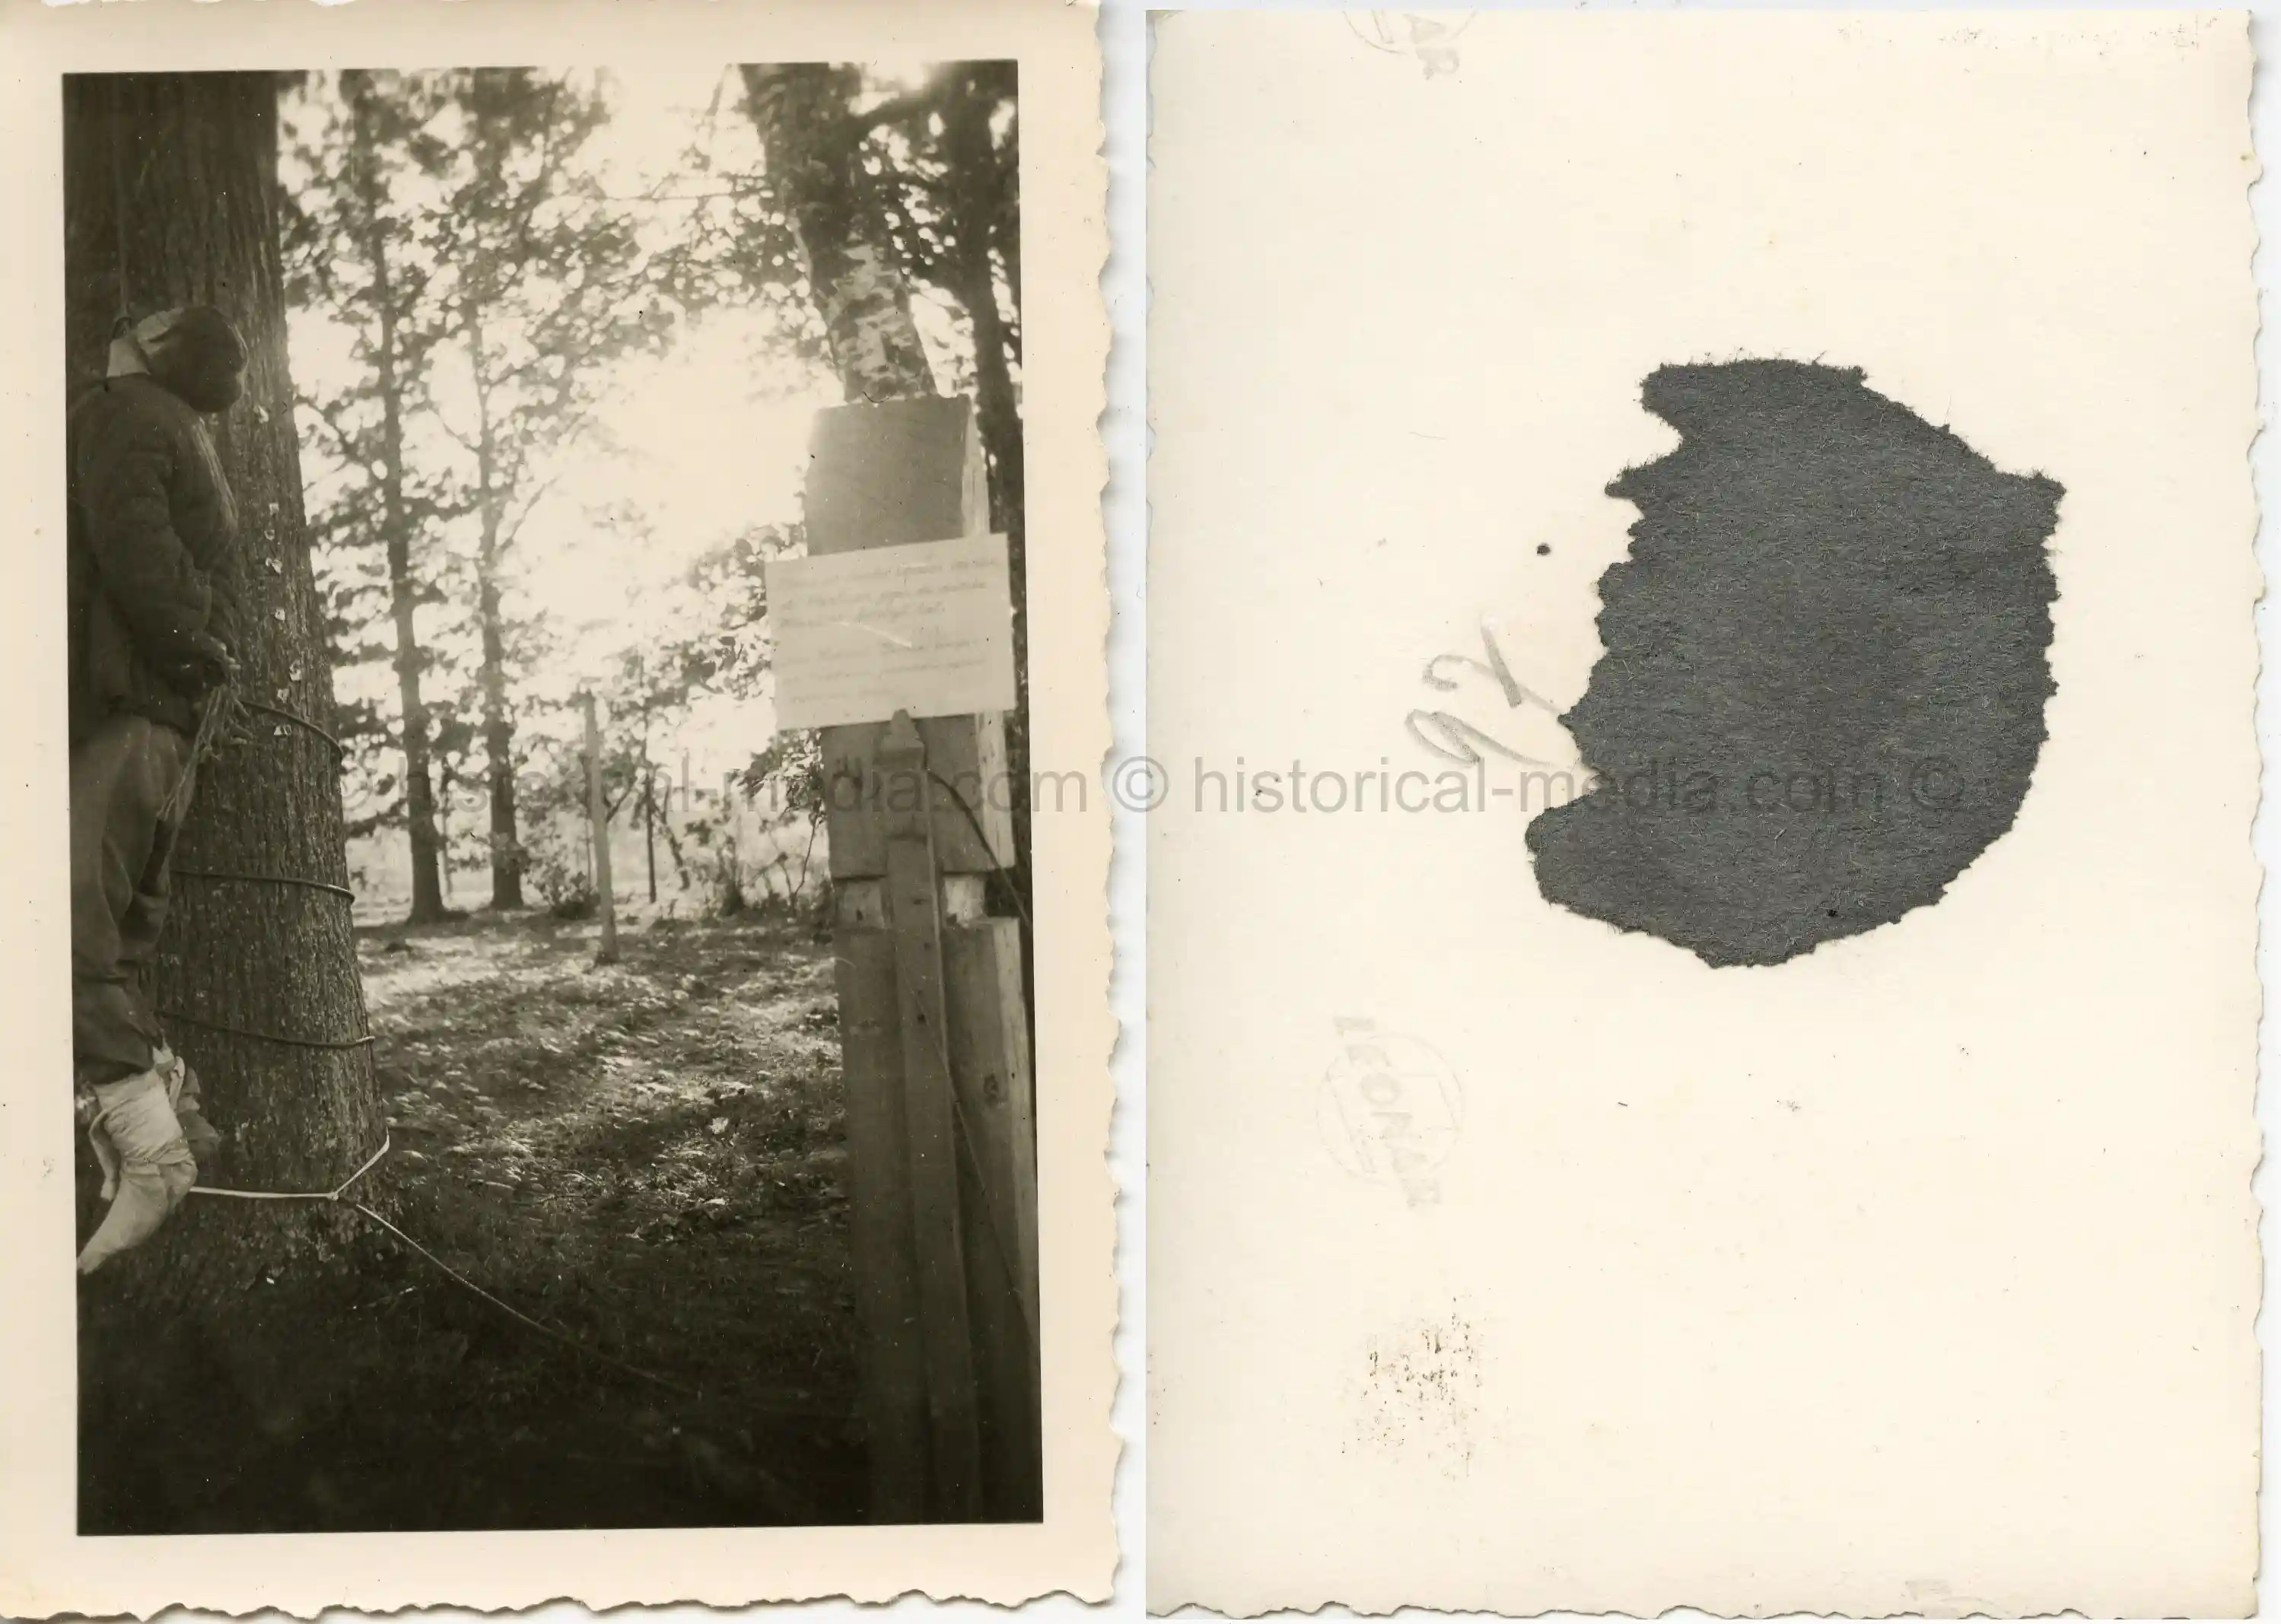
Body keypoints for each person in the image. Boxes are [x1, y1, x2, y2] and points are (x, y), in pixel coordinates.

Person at [69, 304, 248, 1274]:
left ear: (157, 352)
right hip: (155, 714)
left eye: (155, 318)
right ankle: (156, 1106)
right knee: (117, 930)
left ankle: (152, 1148)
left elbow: (141, 555)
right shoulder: (168, 425)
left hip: (132, 707)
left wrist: (188, 651)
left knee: (64, 927)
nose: (130, 317)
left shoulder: (130, 412)